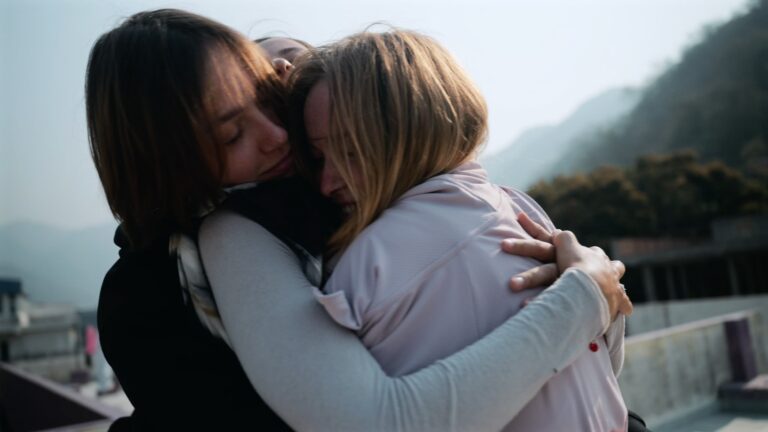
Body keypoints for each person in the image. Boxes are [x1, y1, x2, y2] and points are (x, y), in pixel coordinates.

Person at [86, 8, 631, 431]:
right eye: (232, 133)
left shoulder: (369, 202)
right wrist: (582, 298)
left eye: (275, 101)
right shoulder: (220, 245)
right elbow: (374, 422)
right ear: (170, 165)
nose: (281, 135)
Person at [292, 30, 628, 430]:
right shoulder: (518, 207)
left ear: (412, 128)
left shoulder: (368, 265)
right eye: (318, 158)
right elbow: (602, 370)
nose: (327, 182)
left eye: (350, 150)